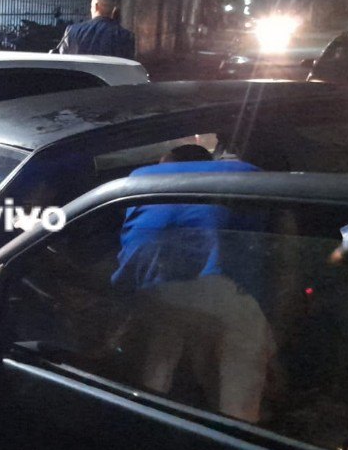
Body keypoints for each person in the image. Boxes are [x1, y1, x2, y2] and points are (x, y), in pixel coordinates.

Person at [111, 144, 274, 423]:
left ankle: (145, 416)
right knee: (239, 385)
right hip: (222, 292)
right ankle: (239, 429)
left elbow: (131, 256)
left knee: (158, 358)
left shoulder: (141, 179)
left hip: (156, 293)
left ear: (167, 163)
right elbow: (265, 250)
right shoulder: (247, 176)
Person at [54, 0, 136, 59]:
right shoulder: (126, 36)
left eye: (91, 6)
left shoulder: (72, 31)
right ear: (115, 10)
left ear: (96, 6)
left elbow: (63, 61)